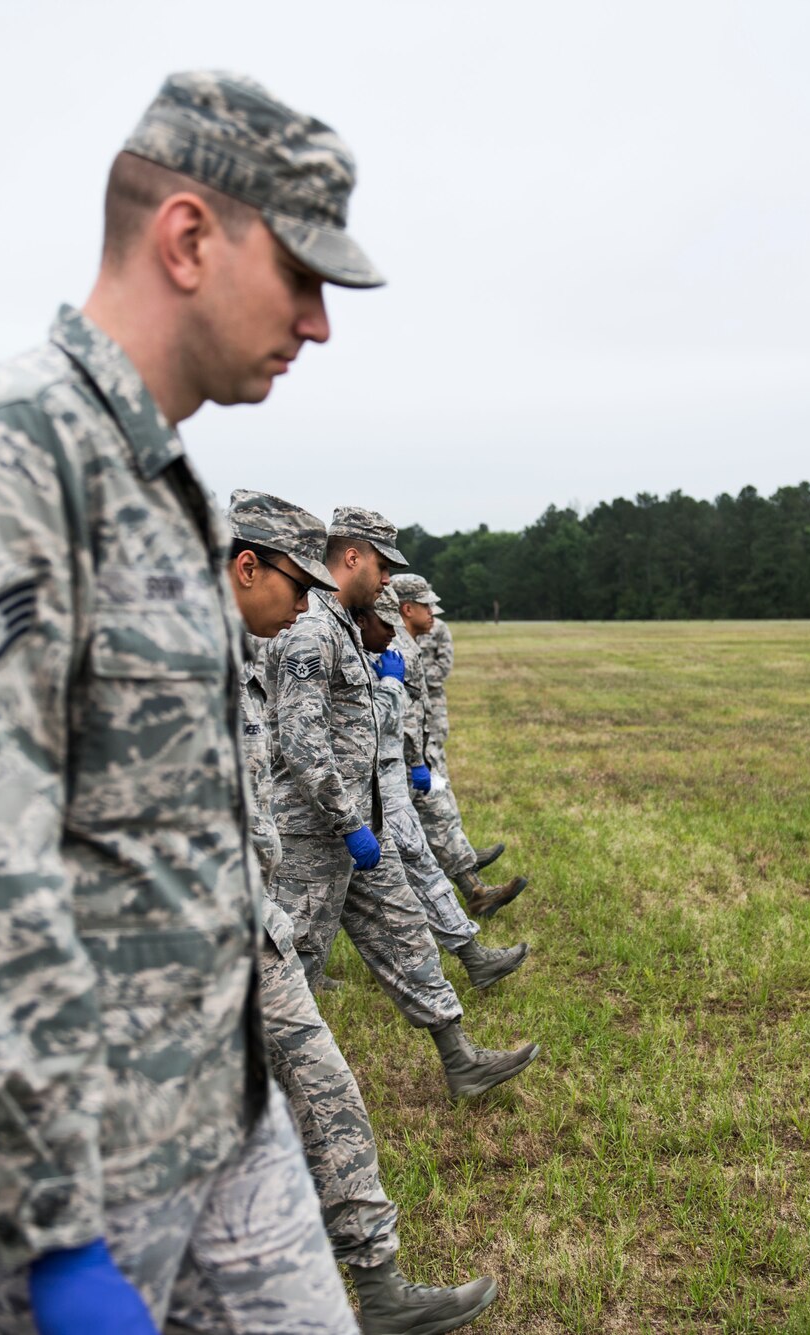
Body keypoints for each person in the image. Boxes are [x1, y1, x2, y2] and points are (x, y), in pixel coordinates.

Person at [0, 71, 385, 1335]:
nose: (318, 323)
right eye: (301, 275)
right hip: (56, 1163)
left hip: (211, 1100)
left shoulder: (150, 467)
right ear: (188, 238)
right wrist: (58, 1237)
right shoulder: (8, 455)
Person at [226, 489, 497, 1334]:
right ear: (246, 565)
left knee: (320, 1076)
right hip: (206, 920)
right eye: (291, 581)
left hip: (249, 911)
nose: (303, 599)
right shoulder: (166, 655)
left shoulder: (251, 645)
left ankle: (377, 1287)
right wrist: (347, 819)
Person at [262, 506, 536, 1100]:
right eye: (383, 565)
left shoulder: (343, 625)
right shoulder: (312, 629)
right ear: (352, 556)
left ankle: (459, 1058)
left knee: (406, 929)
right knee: (294, 971)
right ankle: (259, 1104)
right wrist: (347, 821)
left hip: (361, 828)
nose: (387, 580)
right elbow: (303, 743)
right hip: (317, 834)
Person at [351, 587, 527, 989]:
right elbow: (371, 722)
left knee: (411, 868)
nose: (431, 613)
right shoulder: (331, 640)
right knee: (325, 897)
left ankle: (469, 943)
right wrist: (413, 756)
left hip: (384, 773)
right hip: (362, 783)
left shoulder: (387, 645)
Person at [391, 575, 526, 920]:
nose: (433, 612)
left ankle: (473, 886)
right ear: (407, 608)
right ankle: (468, 888)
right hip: (400, 758)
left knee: (438, 810)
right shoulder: (392, 646)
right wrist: (414, 758)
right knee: (422, 826)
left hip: (419, 751)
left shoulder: (409, 643)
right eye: (425, 605)